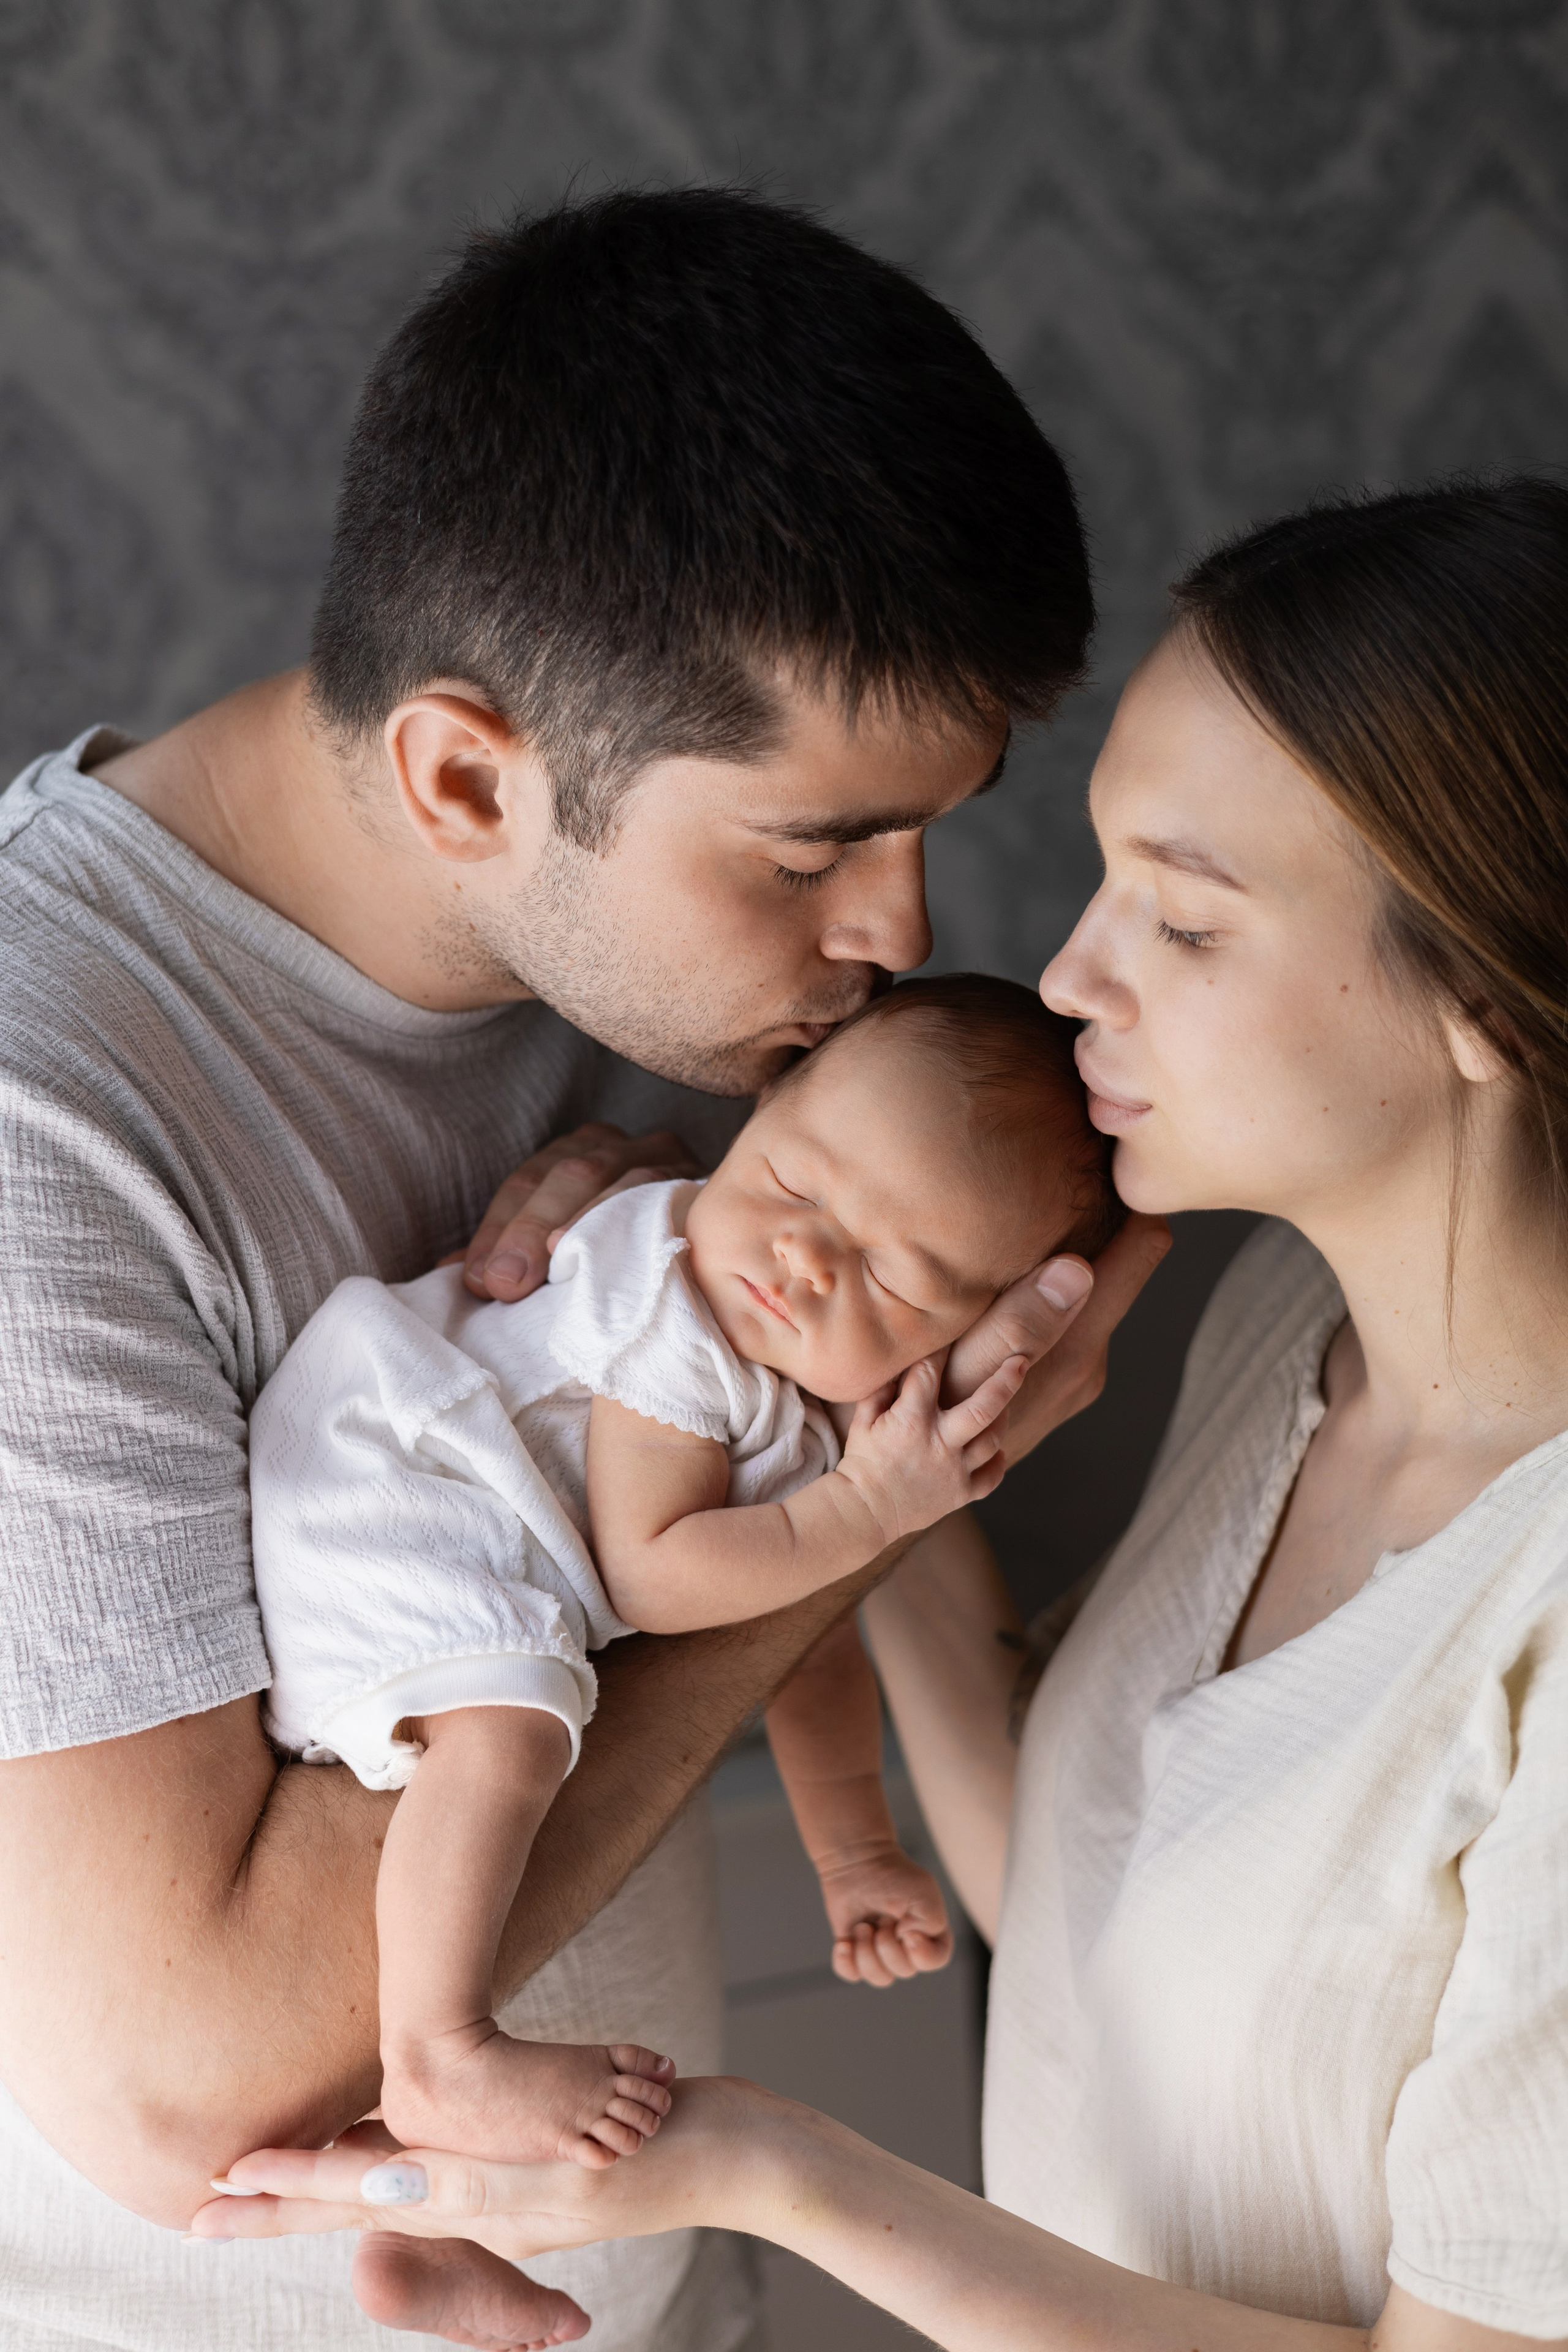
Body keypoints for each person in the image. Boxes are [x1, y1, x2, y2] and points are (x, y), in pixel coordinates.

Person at [206, 480, 1568, 2350]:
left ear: (1486, 999)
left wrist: (764, 2166)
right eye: (1102, 880)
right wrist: (804, 1386)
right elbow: (1073, 1885)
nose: (1066, 975)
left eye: (1179, 921)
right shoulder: (1281, 1337)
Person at [0, 184, 1167, 2352]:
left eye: (929, 827)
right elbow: (188, 2079)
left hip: (641, 2287)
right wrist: (880, 1493)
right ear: (468, 774)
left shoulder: (684, 1005)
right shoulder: (44, 1121)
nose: (903, 934)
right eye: (818, 848)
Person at [251, 975, 1118, 2348]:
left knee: (462, 1882)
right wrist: (872, 1512)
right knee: (510, 1747)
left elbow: (795, 1635)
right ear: (757, 1109)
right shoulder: (676, 1303)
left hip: (467, 1559)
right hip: (389, 1476)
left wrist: (853, 1853)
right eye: (793, 1182)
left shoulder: (822, 1423)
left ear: (969, 1339)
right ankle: (437, 2060)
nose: (806, 1259)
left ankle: (419, 2235)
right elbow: (659, 1571)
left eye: (896, 1279)